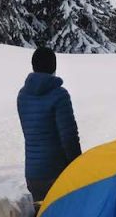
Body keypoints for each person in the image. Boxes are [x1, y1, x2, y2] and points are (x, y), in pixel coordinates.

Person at [17, 47, 81, 206]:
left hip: (32, 174)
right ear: (54, 67)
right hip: (56, 173)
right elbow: (69, 137)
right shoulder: (59, 95)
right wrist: (79, 166)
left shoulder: (23, 95)